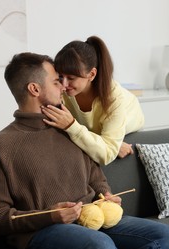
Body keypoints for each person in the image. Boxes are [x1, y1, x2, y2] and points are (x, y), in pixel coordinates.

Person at [0, 52, 169, 249]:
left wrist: (106, 195)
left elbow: (95, 176)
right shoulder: (1, 145)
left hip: (93, 218)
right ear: (34, 89)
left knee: (166, 236)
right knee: (99, 246)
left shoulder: (71, 127)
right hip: (42, 231)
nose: (64, 87)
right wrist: (49, 216)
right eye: (57, 81)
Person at [40, 36, 145, 165]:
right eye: (60, 77)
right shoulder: (64, 90)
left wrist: (71, 126)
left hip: (130, 120)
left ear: (92, 74)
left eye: (71, 78)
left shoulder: (115, 98)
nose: (64, 84)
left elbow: (106, 154)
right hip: (97, 131)